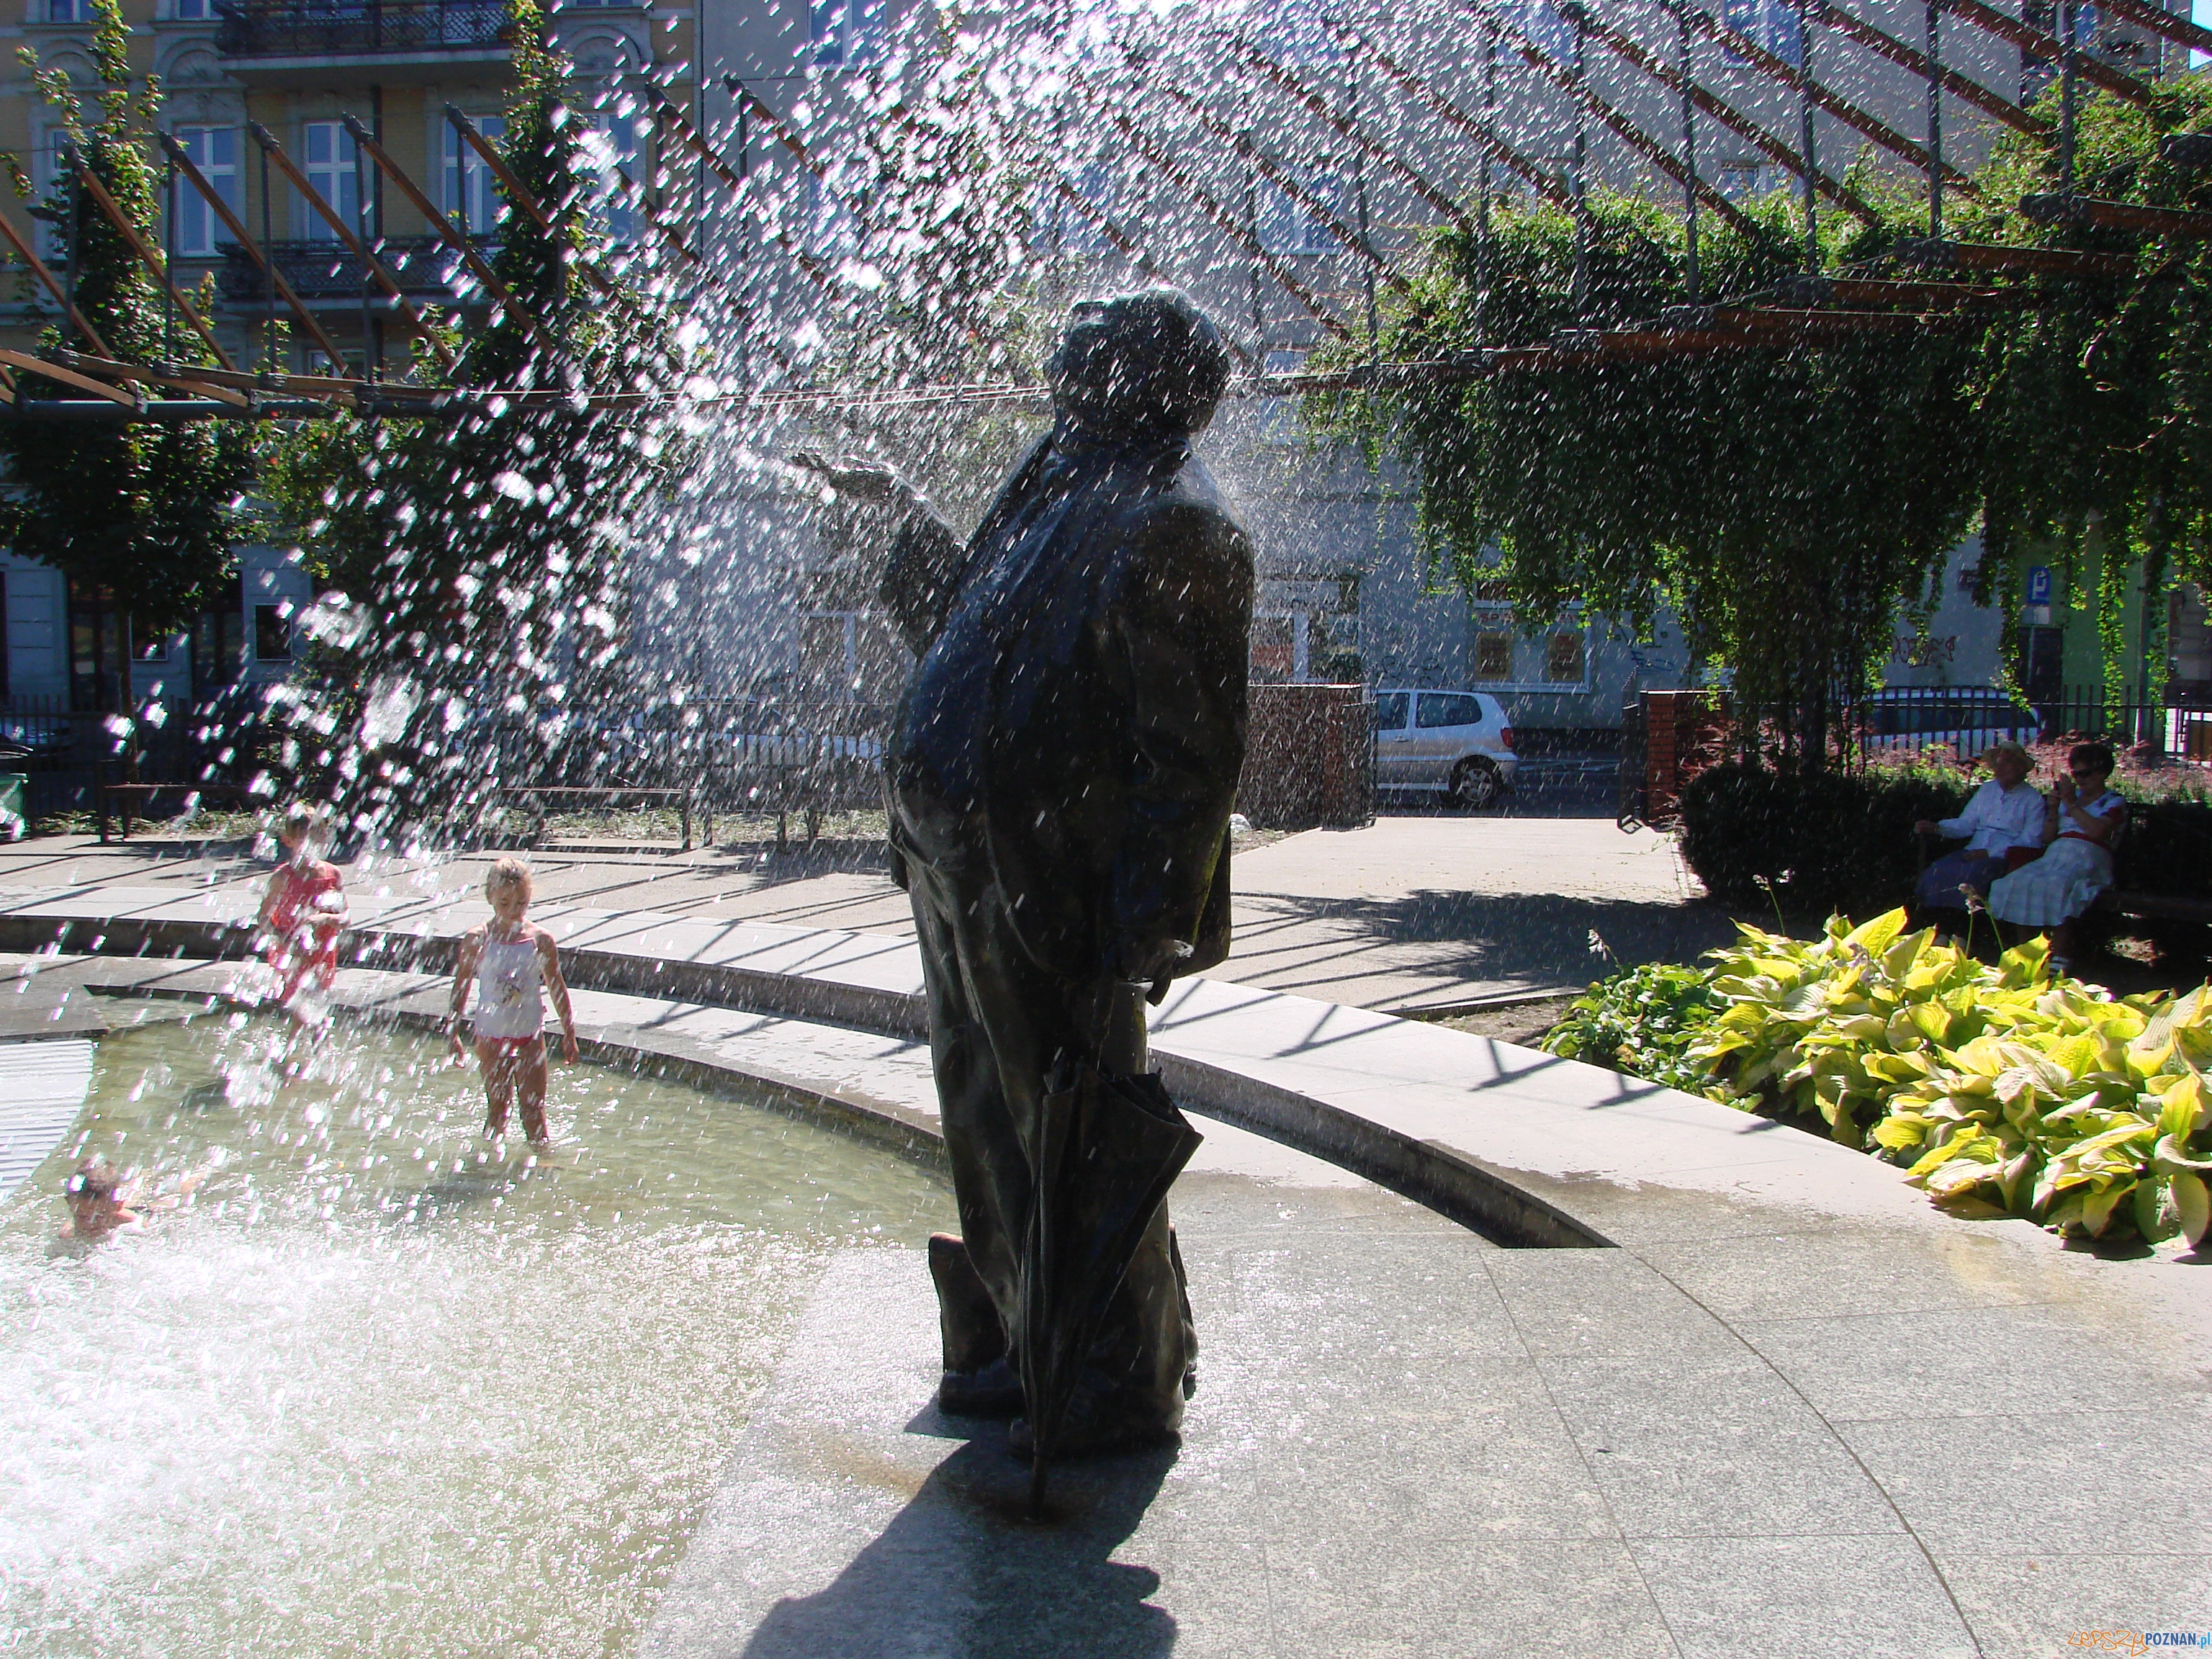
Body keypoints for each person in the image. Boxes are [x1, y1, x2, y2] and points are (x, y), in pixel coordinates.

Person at [796, 289, 1253, 1460]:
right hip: (960, 860)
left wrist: (1145, 922)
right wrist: (899, 518)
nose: (1062, 347)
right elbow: (959, 630)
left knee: (1086, 1126)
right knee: (990, 1123)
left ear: (1138, 372)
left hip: (1059, 891)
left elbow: (1193, 751)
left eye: (1089, 339)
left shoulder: (1174, 517)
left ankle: (1121, 1374)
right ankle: (1014, 1336)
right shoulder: (1058, 485)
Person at [447, 857, 579, 1146]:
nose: (513, 911)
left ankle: (543, 1166)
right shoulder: (477, 939)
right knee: (498, 1106)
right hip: (490, 1034)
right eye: (504, 903)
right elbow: (461, 986)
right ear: (490, 897)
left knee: (534, 1109)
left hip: (529, 1033)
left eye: (520, 903)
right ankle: (487, 1166)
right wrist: (453, 1031)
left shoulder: (539, 939)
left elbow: (557, 987)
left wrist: (569, 1032)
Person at [1987, 742, 2126, 977]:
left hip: (2088, 856)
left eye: (2085, 773)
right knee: (2017, 882)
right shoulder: (2067, 800)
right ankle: (2027, 954)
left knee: (2059, 887)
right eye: (2076, 774)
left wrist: (2070, 804)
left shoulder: (2113, 801)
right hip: (2057, 854)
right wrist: (2053, 810)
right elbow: (2048, 837)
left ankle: (2059, 961)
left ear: (2102, 773)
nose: (2080, 779)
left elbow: (2097, 832)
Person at [1912, 742, 2046, 914]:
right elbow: (1967, 824)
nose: (2000, 768)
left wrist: (1990, 852)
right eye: (1997, 763)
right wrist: (1938, 827)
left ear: (2021, 768)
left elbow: (2030, 840)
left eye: (2006, 763)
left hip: (2004, 858)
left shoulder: (2033, 800)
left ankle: (1963, 929)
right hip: (1972, 850)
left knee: (1972, 878)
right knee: (1939, 870)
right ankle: (1938, 925)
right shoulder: (1987, 790)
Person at [257, 804, 349, 1018]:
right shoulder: (283, 877)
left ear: (325, 837)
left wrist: (325, 918)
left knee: (313, 1010)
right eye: (302, 838)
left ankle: (295, 1050)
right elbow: (262, 918)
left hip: (323, 950)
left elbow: (345, 918)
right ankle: (302, 1050)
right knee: (304, 1009)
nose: (310, 844)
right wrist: (284, 938)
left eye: (316, 836)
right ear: (288, 841)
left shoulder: (332, 873)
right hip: (293, 950)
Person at [59, 1157, 201, 1245]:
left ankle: (197, 1175)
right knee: (130, 1194)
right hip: (110, 1204)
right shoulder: (69, 1232)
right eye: (82, 1216)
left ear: (116, 1208)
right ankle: (142, 1178)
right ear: (70, 1205)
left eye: (99, 1216)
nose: (90, 1223)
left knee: (168, 1200)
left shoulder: (133, 1222)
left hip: (141, 1210)